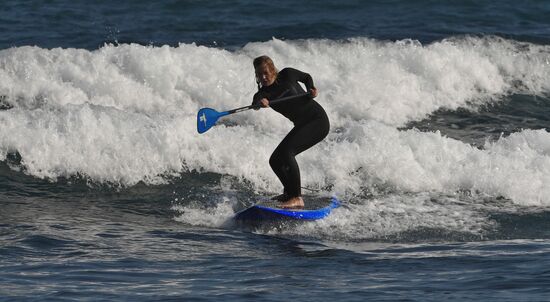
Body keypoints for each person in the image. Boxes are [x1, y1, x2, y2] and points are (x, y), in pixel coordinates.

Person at [252, 55, 330, 209]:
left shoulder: (287, 74)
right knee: (275, 160)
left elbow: (306, 77)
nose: (263, 77)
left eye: (266, 72)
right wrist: (260, 104)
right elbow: (255, 103)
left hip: (317, 120)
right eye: (259, 74)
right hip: (302, 125)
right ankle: (289, 193)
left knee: (287, 153)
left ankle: (296, 197)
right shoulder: (263, 94)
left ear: (273, 70)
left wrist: (311, 89)